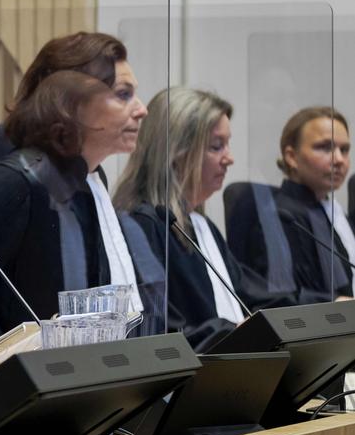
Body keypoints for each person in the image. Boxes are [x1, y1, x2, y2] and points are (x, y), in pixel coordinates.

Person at [0, 31, 152, 364]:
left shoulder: (90, 184)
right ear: (70, 105)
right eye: (123, 95)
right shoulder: (7, 186)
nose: (142, 110)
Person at [114, 87, 289, 351]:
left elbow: (251, 295)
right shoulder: (144, 225)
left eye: (227, 145)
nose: (229, 158)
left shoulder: (201, 225)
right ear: (175, 153)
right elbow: (161, 330)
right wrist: (233, 333)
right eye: (216, 147)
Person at [234, 107, 353, 303]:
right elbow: (279, 297)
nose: (339, 159)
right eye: (325, 147)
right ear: (291, 156)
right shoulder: (280, 216)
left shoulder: (333, 211)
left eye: (344, 149)